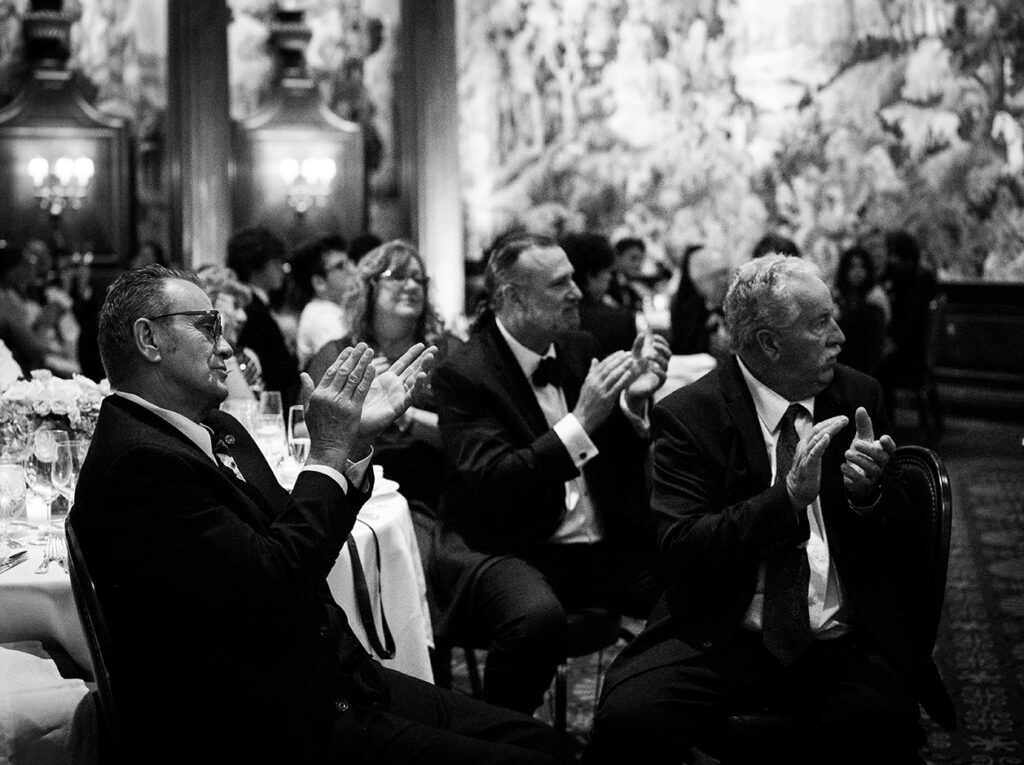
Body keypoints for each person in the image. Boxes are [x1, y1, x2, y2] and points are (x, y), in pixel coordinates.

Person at [70, 264, 561, 765]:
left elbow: (301, 541)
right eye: (207, 326)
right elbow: (276, 582)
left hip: (329, 682)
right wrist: (325, 450)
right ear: (148, 339)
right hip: (268, 726)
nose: (226, 348)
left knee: (537, 740)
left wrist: (351, 442)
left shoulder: (214, 428)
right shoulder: (139, 465)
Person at [586, 255, 954, 764]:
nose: (840, 338)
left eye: (834, 316)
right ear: (768, 343)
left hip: (840, 637)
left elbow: (901, 544)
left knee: (881, 726)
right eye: (820, 323)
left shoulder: (857, 395)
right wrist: (786, 501)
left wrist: (870, 494)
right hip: (723, 634)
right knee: (628, 719)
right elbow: (683, 552)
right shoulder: (692, 415)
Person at [431, 232, 670, 716]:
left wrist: (633, 402)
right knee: (536, 620)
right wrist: (581, 421)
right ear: (512, 298)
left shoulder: (581, 348)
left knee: (698, 577)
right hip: (509, 545)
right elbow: (497, 482)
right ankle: (502, 736)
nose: (578, 293)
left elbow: (613, 462)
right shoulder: (465, 373)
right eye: (560, 284)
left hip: (594, 546)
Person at [305, 239, 461, 516]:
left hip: (427, 499)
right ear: (369, 286)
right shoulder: (342, 354)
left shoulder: (447, 352)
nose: (412, 286)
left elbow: (465, 434)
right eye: (398, 276)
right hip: (351, 494)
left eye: (418, 279)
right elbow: (300, 429)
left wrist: (403, 414)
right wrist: (354, 409)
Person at [227, 226, 301, 410]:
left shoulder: (259, 306)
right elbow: (275, 371)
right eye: (276, 263)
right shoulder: (251, 312)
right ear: (256, 265)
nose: (282, 270)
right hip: (264, 407)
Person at [877, 230, 939, 414]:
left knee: (877, 364)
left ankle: (882, 423)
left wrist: (890, 342)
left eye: (892, 254)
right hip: (898, 346)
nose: (889, 259)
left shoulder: (920, 279)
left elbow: (910, 323)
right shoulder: (893, 275)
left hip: (911, 354)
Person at [560, 232, 638, 355]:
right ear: (591, 275)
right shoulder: (619, 320)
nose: (610, 278)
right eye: (607, 272)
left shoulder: (556, 318)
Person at [291, 235, 363, 369]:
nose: (354, 270)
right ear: (319, 283)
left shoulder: (333, 310)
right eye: (341, 266)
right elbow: (352, 368)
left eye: (350, 262)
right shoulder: (322, 318)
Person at [196, 264, 264, 399]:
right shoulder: (196, 358)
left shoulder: (247, 358)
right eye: (236, 306)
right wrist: (219, 333)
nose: (243, 317)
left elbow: (249, 415)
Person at [668, 245, 732, 360]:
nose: (724, 281)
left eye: (726, 273)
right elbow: (684, 346)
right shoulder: (689, 309)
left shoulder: (736, 303)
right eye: (716, 276)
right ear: (700, 283)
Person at [834, 246, 888, 378]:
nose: (857, 272)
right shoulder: (837, 295)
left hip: (865, 359)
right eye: (852, 267)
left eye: (862, 267)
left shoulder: (875, 297)